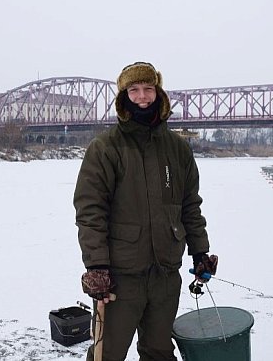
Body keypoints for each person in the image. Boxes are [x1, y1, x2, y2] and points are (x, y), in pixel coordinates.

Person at [73, 62, 218, 361]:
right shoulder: (105, 148)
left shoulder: (178, 149)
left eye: (148, 89)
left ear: (158, 93)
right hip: (119, 278)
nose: (142, 96)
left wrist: (200, 250)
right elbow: (90, 210)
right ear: (124, 96)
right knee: (107, 353)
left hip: (165, 275)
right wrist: (97, 265)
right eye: (134, 90)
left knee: (159, 352)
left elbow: (190, 204)